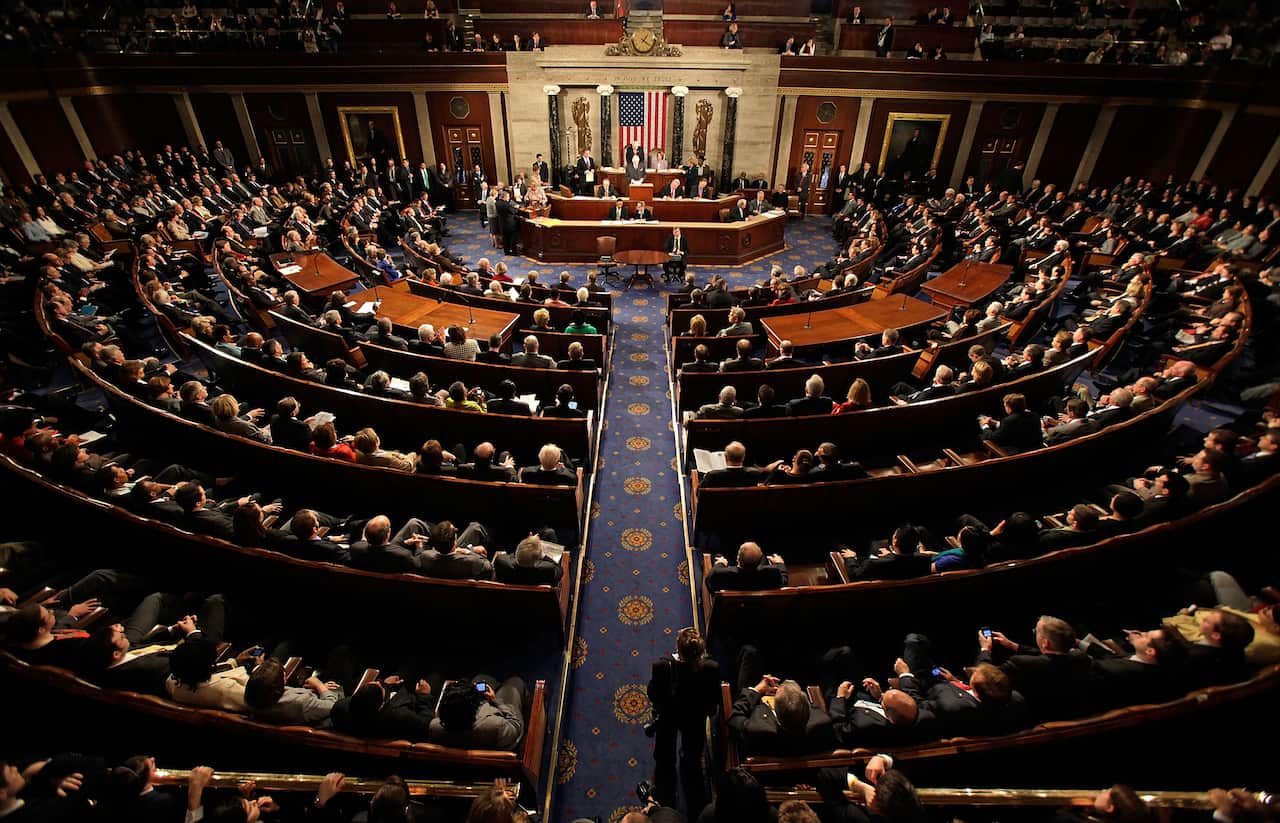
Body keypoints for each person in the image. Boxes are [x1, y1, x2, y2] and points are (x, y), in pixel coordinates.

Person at [646, 627, 721, 815]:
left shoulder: (662, 667)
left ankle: (665, 801)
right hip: (694, 719)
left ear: (678, 648)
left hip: (668, 718)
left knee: (664, 760)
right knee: (692, 760)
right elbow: (714, 699)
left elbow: (653, 694)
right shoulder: (711, 668)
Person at [430, 675, 527, 749]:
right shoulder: (495, 725)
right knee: (513, 685)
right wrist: (495, 700)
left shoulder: (434, 727)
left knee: (481, 677)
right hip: (500, 733)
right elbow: (515, 725)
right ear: (474, 707)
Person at [706, 541, 788, 592]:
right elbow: (783, 583)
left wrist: (721, 563)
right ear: (760, 561)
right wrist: (780, 564)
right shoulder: (772, 573)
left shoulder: (722, 574)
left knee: (718, 555)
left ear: (738, 558)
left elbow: (709, 580)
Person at [495, 533, 564, 585]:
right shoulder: (548, 570)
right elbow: (559, 569)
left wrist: (526, 547)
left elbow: (509, 556)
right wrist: (543, 555)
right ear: (537, 560)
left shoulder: (501, 563)